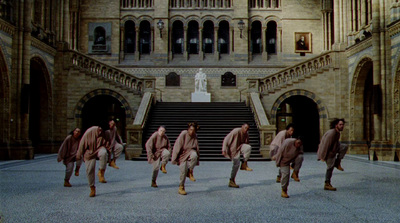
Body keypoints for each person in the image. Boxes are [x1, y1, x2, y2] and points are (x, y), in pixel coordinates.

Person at [76, 122, 110, 197]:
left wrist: (110, 158)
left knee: (103, 153)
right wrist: (79, 155)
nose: (101, 132)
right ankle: (92, 188)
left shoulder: (106, 133)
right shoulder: (90, 131)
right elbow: (82, 143)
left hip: (99, 148)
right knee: (89, 170)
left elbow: (108, 146)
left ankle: (101, 172)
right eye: (100, 130)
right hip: (89, 151)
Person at [317, 118, 348, 191]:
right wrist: (323, 157)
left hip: (334, 149)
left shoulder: (337, 133)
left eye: (343, 125)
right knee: (330, 167)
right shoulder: (332, 133)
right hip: (328, 152)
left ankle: (338, 162)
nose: (342, 126)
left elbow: (336, 143)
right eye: (340, 125)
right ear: (336, 125)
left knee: (344, 146)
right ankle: (327, 183)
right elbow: (325, 145)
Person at [171, 122, 200, 195]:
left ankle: (190, 171)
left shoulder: (195, 136)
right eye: (190, 130)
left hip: (191, 151)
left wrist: (197, 159)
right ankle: (181, 186)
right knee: (183, 171)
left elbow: (197, 147)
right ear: (188, 129)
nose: (191, 131)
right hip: (182, 154)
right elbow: (177, 145)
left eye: (193, 130)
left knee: (194, 155)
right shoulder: (184, 134)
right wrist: (174, 158)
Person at [222, 123, 253, 188]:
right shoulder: (236, 131)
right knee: (236, 164)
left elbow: (247, 144)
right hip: (233, 150)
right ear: (242, 127)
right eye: (245, 128)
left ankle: (244, 164)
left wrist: (245, 159)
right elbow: (226, 139)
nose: (246, 130)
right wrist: (224, 149)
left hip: (240, 147)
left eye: (247, 129)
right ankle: (232, 180)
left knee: (248, 147)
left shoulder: (246, 134)